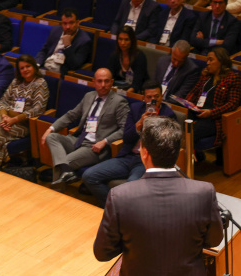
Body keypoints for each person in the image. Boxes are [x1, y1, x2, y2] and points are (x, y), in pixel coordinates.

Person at [92, 116, 224, 275]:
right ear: (176, 153)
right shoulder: (205, 192)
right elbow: (214, 240)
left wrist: (132, 242)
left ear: (144, 152)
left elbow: (102, 253)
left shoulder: (120, 195)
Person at [82, 84, 176, 206]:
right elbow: (126, 137)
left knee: (131, 186)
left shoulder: (169, 115)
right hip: (127, 156)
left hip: (147, 161)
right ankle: (112, 206)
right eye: (149, 97)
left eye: (156, 96)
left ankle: (122, 212)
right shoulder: (135, 109)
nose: (153, 100)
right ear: (144, 97)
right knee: (89, 176)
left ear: (162, 97)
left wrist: (155, 125)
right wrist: (139, 125)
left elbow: (165, 148)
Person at [43, 67, 129, 187]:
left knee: (64, 162)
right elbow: (71, 115)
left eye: (106, 81)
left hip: (95, 147)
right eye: (99, 81)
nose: (103, 85)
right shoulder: (89, 96)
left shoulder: (119, 102)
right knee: (52, 137)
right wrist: (51, 128)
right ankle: (67, 174)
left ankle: (56, 194)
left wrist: (105, 141)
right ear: (94, 82)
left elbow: (125, 128)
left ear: (112, 82)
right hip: (78, 139)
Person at [184, 47, 241, 152]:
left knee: (192, 131)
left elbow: (232, 104)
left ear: (221, 61)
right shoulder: (206, 75)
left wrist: (211, 112)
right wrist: (186, 103)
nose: (207, 63)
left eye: (211, 60)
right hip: (197, 112)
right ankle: (194, 156)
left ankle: (184, 160)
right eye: (207, 60)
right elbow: (194, 92)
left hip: (214, 119)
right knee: (178, 121)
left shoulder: (233, 78)